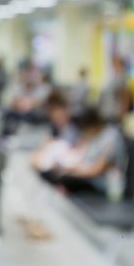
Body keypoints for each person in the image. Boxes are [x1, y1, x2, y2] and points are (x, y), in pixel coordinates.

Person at [16, 93, 80, 240]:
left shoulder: (72, 129)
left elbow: (68, 153)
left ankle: (39, 222)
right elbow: (49, 146)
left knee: (43, 184)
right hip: (55, 166)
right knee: (34, 178)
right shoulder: (56, 128)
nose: (55, 116)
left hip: (67, 170)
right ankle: (33, 218)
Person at [39, 107, 125, 195]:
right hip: (85, 174)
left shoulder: (110, 137)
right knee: (48, 173)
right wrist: (69, 169)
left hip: (102, 182)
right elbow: (83, 157)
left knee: (63, 179)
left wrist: (72, 173)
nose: (84, 133)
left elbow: (96, 171)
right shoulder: (96, 135)